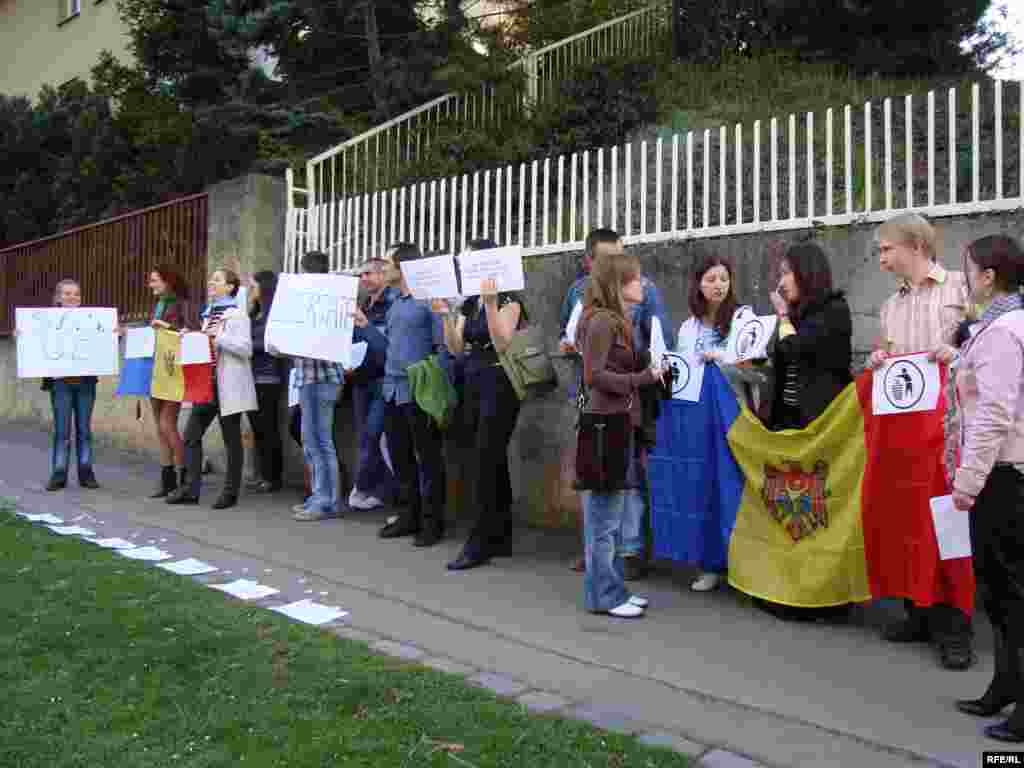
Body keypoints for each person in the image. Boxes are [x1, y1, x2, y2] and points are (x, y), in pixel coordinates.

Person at [867, 212, 974, 670]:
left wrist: (961, 352)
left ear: (915, 245)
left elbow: (990, 344)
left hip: (951, 431)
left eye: (887, 249)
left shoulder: (959, 290)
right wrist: (879, 360)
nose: (882, 259)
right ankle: (919, 610)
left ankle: (956, 625)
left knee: (948, 524)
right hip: (906, 437)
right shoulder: (890, 307)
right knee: (908, 520)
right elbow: (892, 362)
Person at [561, 229, 673, 578]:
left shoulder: (645, 289)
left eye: (622, 256)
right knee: (593, 472)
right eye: (610, 258)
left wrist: (644, 371)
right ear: (590, 261)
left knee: (627, 474)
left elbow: (659, 339)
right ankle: (598, 551)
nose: (620, 266)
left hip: (626, 397)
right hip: (591, 396)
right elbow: (567, 336)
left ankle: (629, 551)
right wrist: (569, 345)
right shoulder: (579, 292)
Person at [948, 235, 1024, 742]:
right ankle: (1003, 685)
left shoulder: (1002, 332)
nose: (965, 279)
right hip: (1002, 472)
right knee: (998, 591)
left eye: (968, 270)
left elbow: (994, 414)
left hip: (1002, 475)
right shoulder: (1001, 326)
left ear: (988, 276)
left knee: (1011, 592)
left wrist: (967, 482)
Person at [760, 241, 853, 621]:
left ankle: (828, 597)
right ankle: (794, 589)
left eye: (787, 272)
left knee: (820, 511)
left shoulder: (833, 311)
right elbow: (777, 356)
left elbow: (796, 349)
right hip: (788, 423)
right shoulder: (794, 314)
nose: (782, 282)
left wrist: (783, 317)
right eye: (780, 273)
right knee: (791, 510)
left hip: (822, 425)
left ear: (807, 273)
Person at [576, 244, 665, 617]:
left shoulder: (616, 320)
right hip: (604, 426)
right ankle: (604, 595)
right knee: (604, 520)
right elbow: (593, 375)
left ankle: (613, 589)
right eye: (635, 277)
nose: (642, 284)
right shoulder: (601, 321)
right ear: (619, 284)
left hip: (616, 423)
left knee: (611, 517)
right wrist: (641, 378)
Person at [433, 238, 524, 571]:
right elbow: (457, 348)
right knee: (489, 461)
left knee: (485, 462)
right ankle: (500, 536)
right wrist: (445, 316)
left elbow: (502, 342)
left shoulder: (510, 299)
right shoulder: (468, 303)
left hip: (500, 385)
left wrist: (489, 304)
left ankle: (479, 542)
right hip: (471, 383)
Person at [358, 243, 447, 547]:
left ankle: (433, 523)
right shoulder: (396, 302)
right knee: (401, 456)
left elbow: (443, 347)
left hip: (420, 390)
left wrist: (438, 387)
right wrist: (367, 328)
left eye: (387, 263)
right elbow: (389, 347)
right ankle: (409, 515)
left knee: (428, 457)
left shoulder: (428, 301)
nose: (383, 268)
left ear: (403, 267)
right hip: (393, 389)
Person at [673, 254, 750, 592]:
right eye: (710, 279)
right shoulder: (689, 326)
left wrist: (720, 357)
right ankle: (709, 565)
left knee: (734, 486)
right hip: (697, 419)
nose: (718, 285)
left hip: (733, 413)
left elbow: (755, 366)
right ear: (697, 285)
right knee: (703, 486)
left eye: (723, 278)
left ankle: (743, 564)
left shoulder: (743, 318)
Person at [166, 268, 257, 509]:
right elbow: (206, 345)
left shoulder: (237, 315)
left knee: (231, 440)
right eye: (211, 279)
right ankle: (191, 489)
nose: (211, 283)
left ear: (230, 287)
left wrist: (219, 339)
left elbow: (246, 349)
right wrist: (191, 336)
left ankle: (230, 492)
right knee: (191, 436)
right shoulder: (209, 314)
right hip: (207, 384)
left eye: (217, 280)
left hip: (228, 385)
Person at [267, 250, 347, 522]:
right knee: (313, 442)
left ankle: (327, 501)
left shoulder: (327, 300)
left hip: (320, 379)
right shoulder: (325, 299)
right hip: (310, 379)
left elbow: (321, 343)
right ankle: (320, 496)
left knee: (320, 442)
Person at [38, 279, 118, 491]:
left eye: (76, 294)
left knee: (84, 429)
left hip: (85, 383)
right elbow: (35, 344)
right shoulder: (45, 321)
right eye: (67, 293)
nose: (72, 297)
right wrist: (23, 335)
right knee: (62, 430)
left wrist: (112, 334)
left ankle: (86, 471)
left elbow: (103, 342)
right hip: (60, 385)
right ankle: (58, 472)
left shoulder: (91, 321)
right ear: (58, 298)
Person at [348, 254, 400, 510]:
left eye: (368, 273)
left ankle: (367, 487)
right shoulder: (363, 304)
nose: (363, 278)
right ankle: (378, 491)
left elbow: (387, 347)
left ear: (383, 274)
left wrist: (367, 326)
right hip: (360, 379)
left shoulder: (392, 304)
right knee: (366, 437)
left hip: (383, 380)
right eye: (361, 275)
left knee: (374, 434)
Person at [147, 265, 196, 498]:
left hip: (173, 370)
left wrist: (167, 327)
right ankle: (167, 479)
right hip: (155, 368)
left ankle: (183, 477)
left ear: (168, 281)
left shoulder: (182, 304)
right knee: (160, 426)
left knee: (167, 424)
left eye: (155, 280)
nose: (151, 284)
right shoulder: (160, 305)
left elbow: (191, 332)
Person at [245, 270, 285, 494]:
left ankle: (273, 476)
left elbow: (272, 345)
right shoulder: (254, 313)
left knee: (268, 427)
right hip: (250, 376)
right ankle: (262, 474)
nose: (251, 290)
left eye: (253, 286)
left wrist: (246, 345)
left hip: (268, 377)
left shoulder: (274, 315)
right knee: (256, 428)